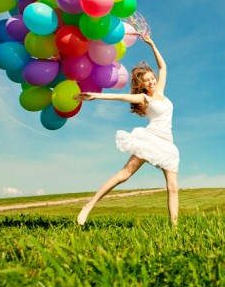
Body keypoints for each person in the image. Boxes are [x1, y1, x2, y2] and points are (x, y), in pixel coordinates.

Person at [74, 33, 179, 226]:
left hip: (168, 144)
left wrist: (152, 44)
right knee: (124, 175)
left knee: (173, 188)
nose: (151, 81)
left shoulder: (161, 91)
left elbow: (163, 67)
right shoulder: (144, 99)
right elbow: (120, 97)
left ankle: (174, 229)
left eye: (152, 78)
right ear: (142, 85)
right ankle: (88, 206)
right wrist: (95, 96)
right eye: (146, 80)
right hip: (151, 139)